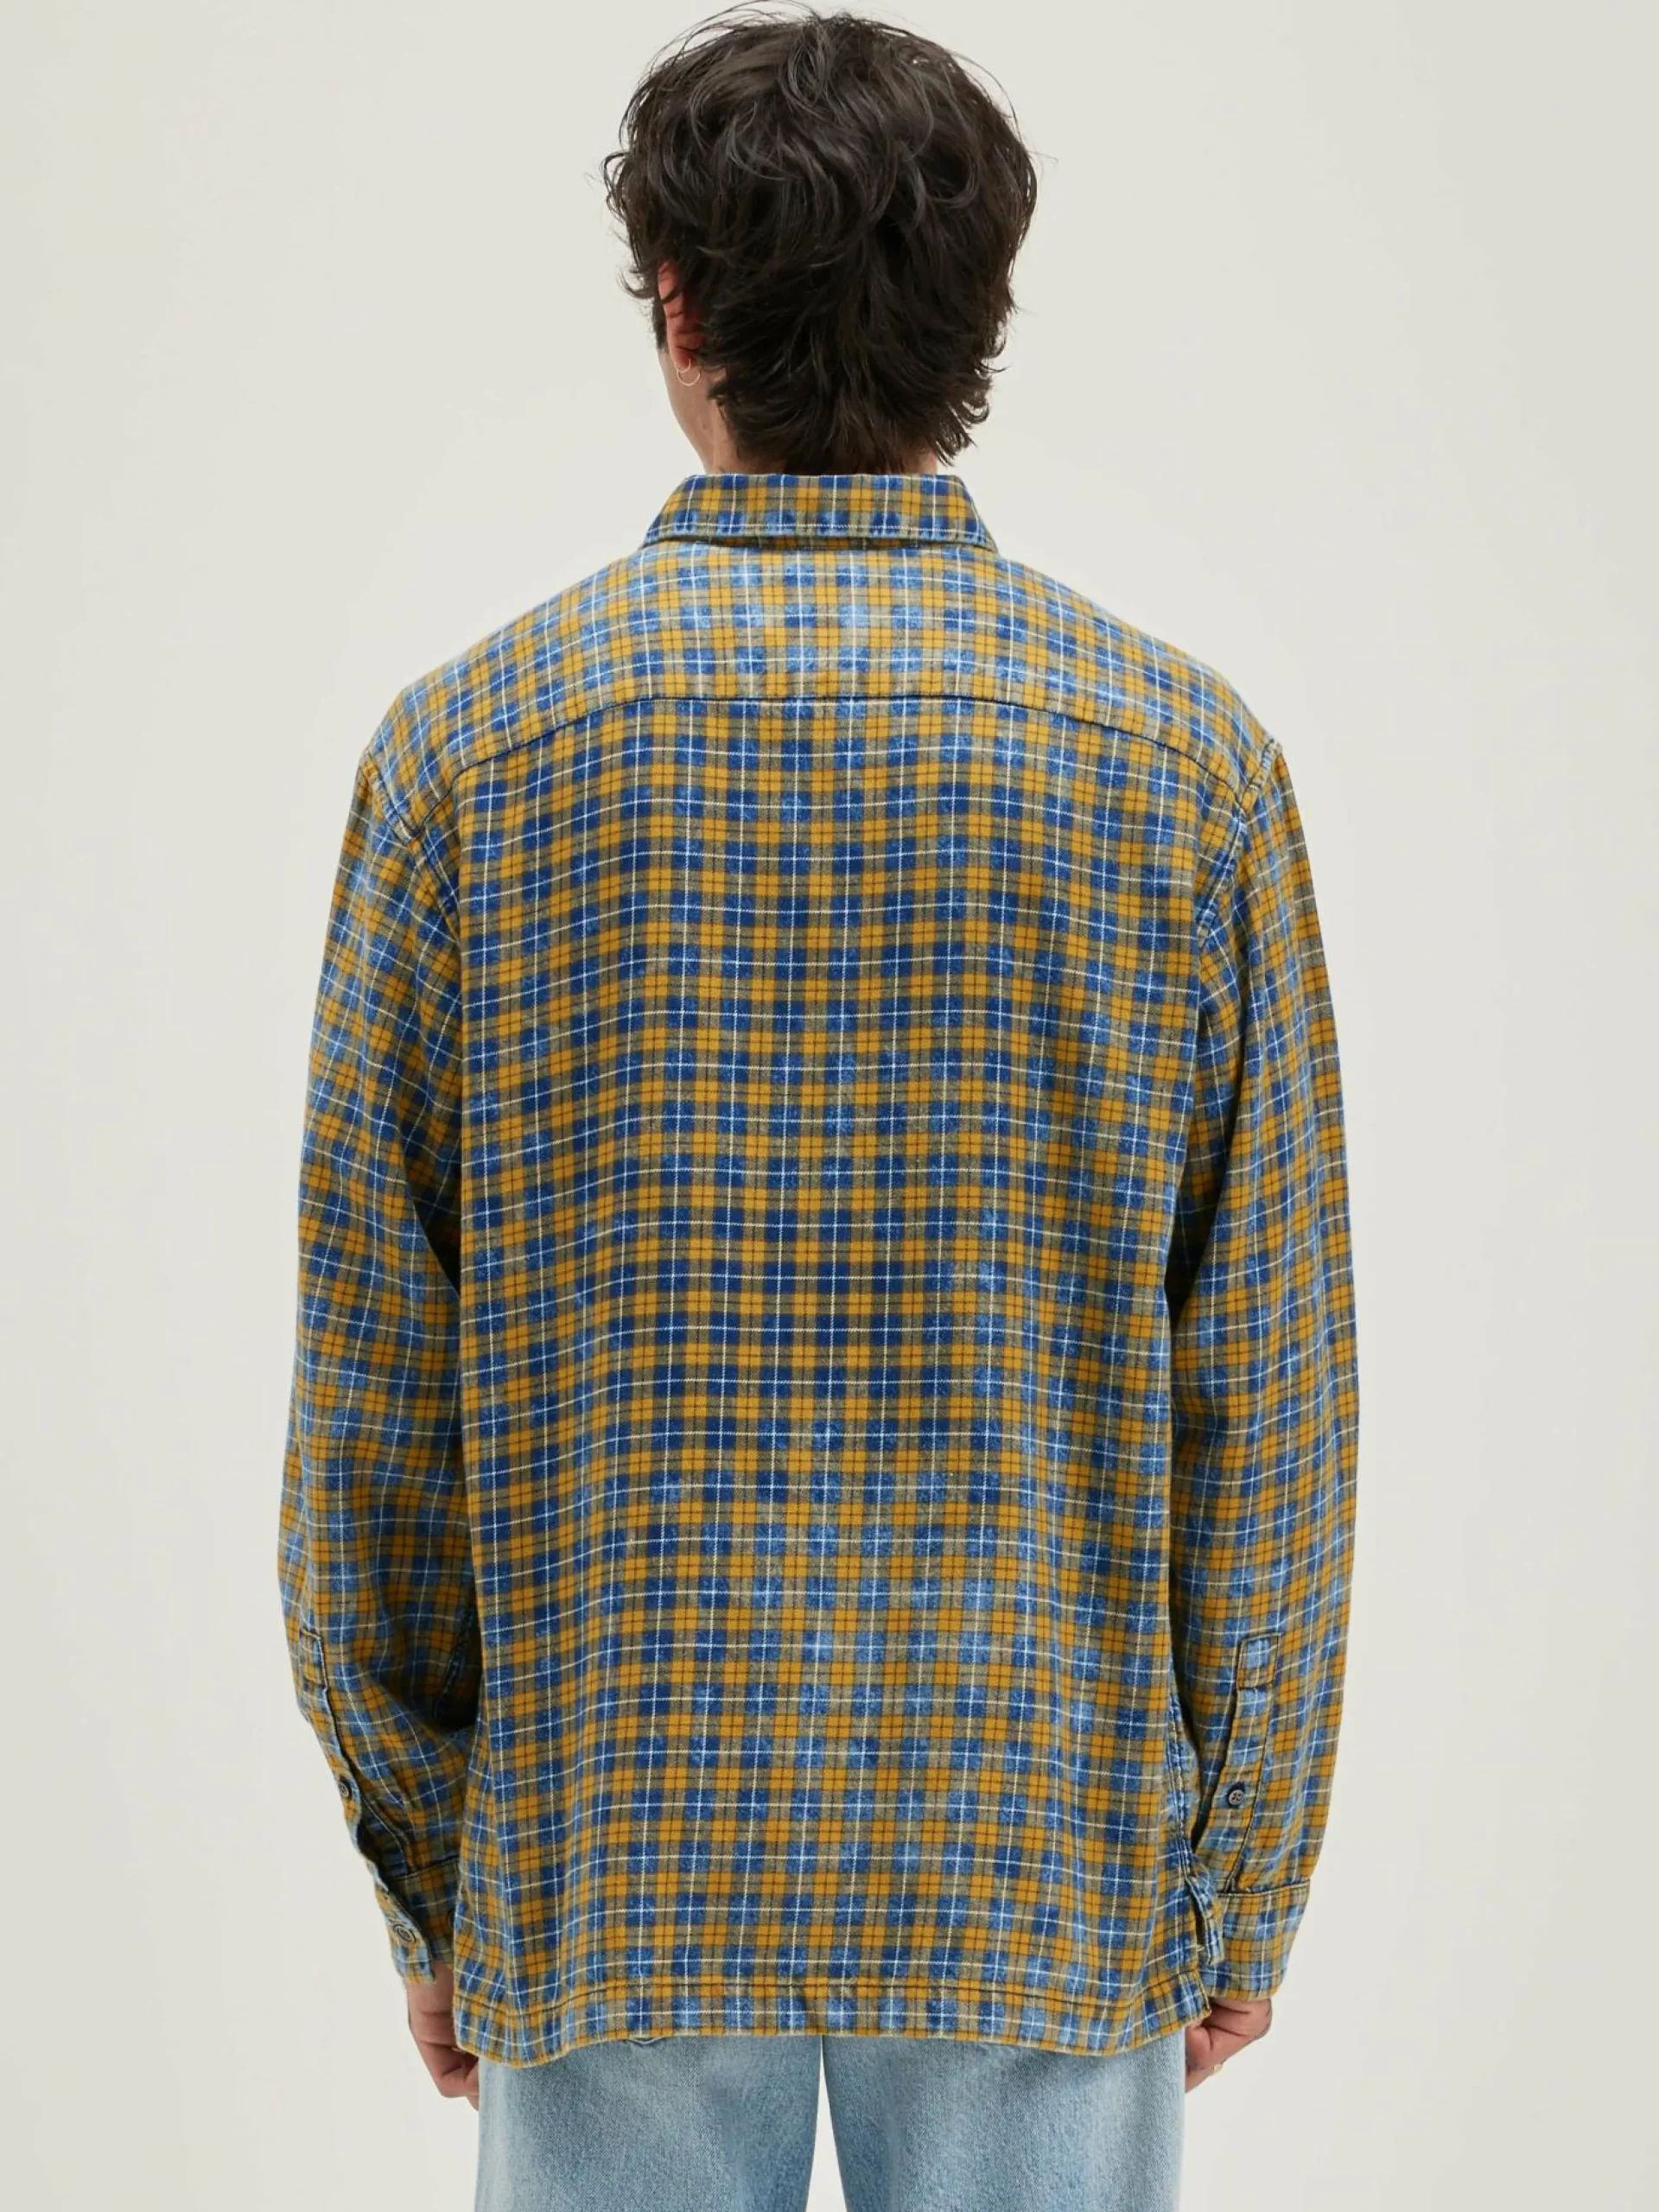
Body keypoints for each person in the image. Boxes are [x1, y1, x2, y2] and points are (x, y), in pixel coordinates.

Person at [276, 8, 1358, 2207]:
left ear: (678, 310)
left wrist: (439, 1861)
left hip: (610, 1853)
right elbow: (1270, 1404)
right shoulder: (1187, 772)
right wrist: (1236, 1879)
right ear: (981, 320)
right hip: (1041, 1856)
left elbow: (374, 1416)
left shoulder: (469, 762)